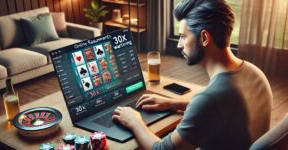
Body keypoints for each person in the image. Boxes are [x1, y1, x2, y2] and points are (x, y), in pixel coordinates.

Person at [112, 0, 273, 149]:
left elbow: (160, 149)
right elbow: (223, 108)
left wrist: (135, 121)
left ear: (204, 37)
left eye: (183, 36)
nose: (179, 44)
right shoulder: (256, 73)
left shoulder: (210, 99)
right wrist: (172, 103)